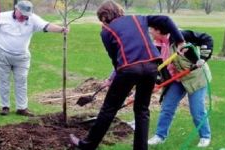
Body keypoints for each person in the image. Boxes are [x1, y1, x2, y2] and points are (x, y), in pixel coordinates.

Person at [69, 1, 185, 150]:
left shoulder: (106, 31)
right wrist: (180, 41)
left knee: (109, 109)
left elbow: (115, 59)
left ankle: (87, 145)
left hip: (128, 69)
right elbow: (166, 20)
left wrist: (115, 78)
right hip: (151, 67)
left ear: (104, 17)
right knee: (142, 110)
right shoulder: (138, 18)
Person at [0, 0, 69, 116]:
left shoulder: (33, 18)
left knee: (21, 81)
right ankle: (5, 106)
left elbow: (47, 26)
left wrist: (61, 29)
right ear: (16, 9)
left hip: (22, 57)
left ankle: (22, 108)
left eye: (26, 15)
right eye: (22, 14)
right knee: (3, 81)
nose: (24, 17)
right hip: (2, 55)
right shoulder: (2, 16)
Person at [147, 27, 213, 147]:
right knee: (167, 107)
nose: (149, 32)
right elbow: (158, 67)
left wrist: (203, 58)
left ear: (159, 30)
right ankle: (160, 136)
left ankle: (205, 136)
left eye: (151, 30)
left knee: (197, 110)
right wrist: (155, 83)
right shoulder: (157, 45)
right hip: (178, 78)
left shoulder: (181, 36)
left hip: (195, 77)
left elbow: (206, 38)